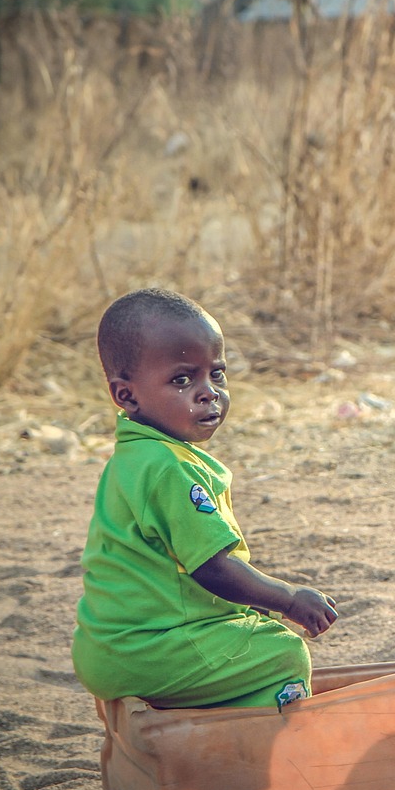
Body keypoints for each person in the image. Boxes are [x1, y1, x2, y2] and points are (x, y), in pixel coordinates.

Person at [72, 288, 339, 710]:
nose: (208, 392)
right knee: (282, 653)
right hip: (149, 650)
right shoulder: (169, 468)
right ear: (126, 395)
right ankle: (253, 753)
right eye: (182, 379)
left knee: (249, 628)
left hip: (111, 646)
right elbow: (213, 569)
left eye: (216, 374)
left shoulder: (137, 455)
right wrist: (288, 599)